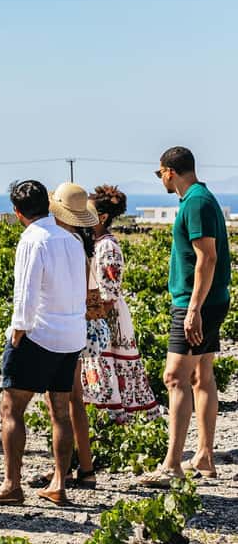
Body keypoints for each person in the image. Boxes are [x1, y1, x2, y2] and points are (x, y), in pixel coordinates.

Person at [0, 180, 88, 507]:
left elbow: (26, 292)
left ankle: (12, 485)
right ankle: (59, 484)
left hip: (39, 334)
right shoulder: (73, 239)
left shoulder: (31, 240)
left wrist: (18, 333)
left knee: (12, 409)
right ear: (49, 205)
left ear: (17, 211)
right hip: (71, 335)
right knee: (60, 413)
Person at [141, 147, 231, 486]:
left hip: (196, 302)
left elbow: (206, 258)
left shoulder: (195, 202)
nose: (160, 179)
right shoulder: (200, 199)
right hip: (210, 299)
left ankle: (172, 465)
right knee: (201, 375)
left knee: (175, 377)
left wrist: (192, 309)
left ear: (169, 171)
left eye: (159, 173)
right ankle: (204, 456)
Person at [28, 183, 100, 492]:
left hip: (62, 329)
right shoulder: (80, 242)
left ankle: (72, 469)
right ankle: (82, 466)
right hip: (77, 328)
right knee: (75, 400)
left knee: (64, 402)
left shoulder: (62, 241)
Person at [79, 185, 159, 422]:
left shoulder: (107, 246)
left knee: (105, 362)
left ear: (102, 217)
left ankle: (113, 420)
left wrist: (95, 322)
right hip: (99, 312)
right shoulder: (96, 242)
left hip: (106, 315)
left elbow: (109, 292)